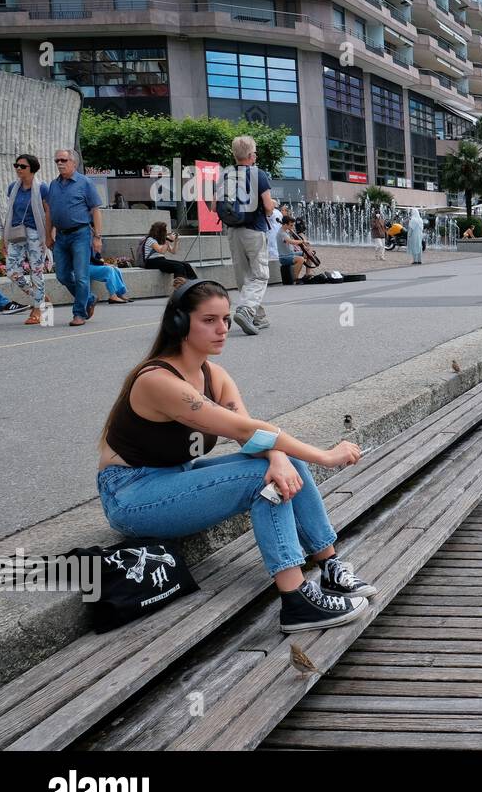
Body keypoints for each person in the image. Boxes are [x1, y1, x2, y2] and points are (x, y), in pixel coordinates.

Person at [97, 279, 374, 633]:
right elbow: (246, 432)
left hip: (175, 477)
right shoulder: (157, 380)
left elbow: (252, 433)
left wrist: (277, 456)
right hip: (131, 495)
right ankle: (296, 600)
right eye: (209, 320)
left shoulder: (215, 375)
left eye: (226, 319)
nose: (222, 329)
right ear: (179, 323)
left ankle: (330, 566)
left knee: (288, 462)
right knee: (264, 479)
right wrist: (326, 456)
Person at [46, 148, 103, 327]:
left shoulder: (85, 182)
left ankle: (79, 313)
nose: (60, 163)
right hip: (61, 237)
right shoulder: (53, 185)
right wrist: (48, 235)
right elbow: (50, 213)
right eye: (57, 161)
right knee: (62, 275)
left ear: (74, 163)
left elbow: (95, 210)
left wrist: (97, 237)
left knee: (81, 276)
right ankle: (89, 298)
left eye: (63, 160)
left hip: (80, 234)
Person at [227, 136, 275, 334]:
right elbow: (267, 207)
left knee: (244, 276)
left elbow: (214, 206)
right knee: (260, 275)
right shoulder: (258, 174)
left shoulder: (226, 175)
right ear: (250, 155)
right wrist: (273, 207)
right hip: (254, 230)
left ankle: (258, 317)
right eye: (254, 152)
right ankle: (246, 310)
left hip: (232, 231)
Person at [3, 152, 51, 325]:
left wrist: (48, 236)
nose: (18, 169)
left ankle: (38, 309)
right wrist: (4, 238)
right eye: (16, 166)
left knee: (36, 271)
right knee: (11, 270)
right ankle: (39, 296)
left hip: (35, 233)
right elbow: (10, 213)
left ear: (33, 169)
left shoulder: (42, 188)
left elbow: (47, 212)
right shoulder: (12, 188)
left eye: (23, 166)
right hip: (16, 232)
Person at [142, 221, 198, 287]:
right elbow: (161, 251)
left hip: (161, 260)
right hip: (151, 262)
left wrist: (176, 241)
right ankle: (180, 287)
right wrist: (168, 240)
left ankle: (195, 284)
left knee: (186, 264)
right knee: (178, 266)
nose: (166, 232)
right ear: (160, 231)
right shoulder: (150, 239)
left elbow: (173, 251)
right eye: (165, 230)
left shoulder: (162, 240)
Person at [276, 215, 306, 283]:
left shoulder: (286, 231)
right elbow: (291, 242)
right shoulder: (281, 233)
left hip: (291, 254)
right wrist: (302, 241)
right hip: (284, 257)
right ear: (285, 224)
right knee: (300, 259)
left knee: (308, 254)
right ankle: (295, 278)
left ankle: (307, 274)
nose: (292, 227)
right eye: (291, 225)